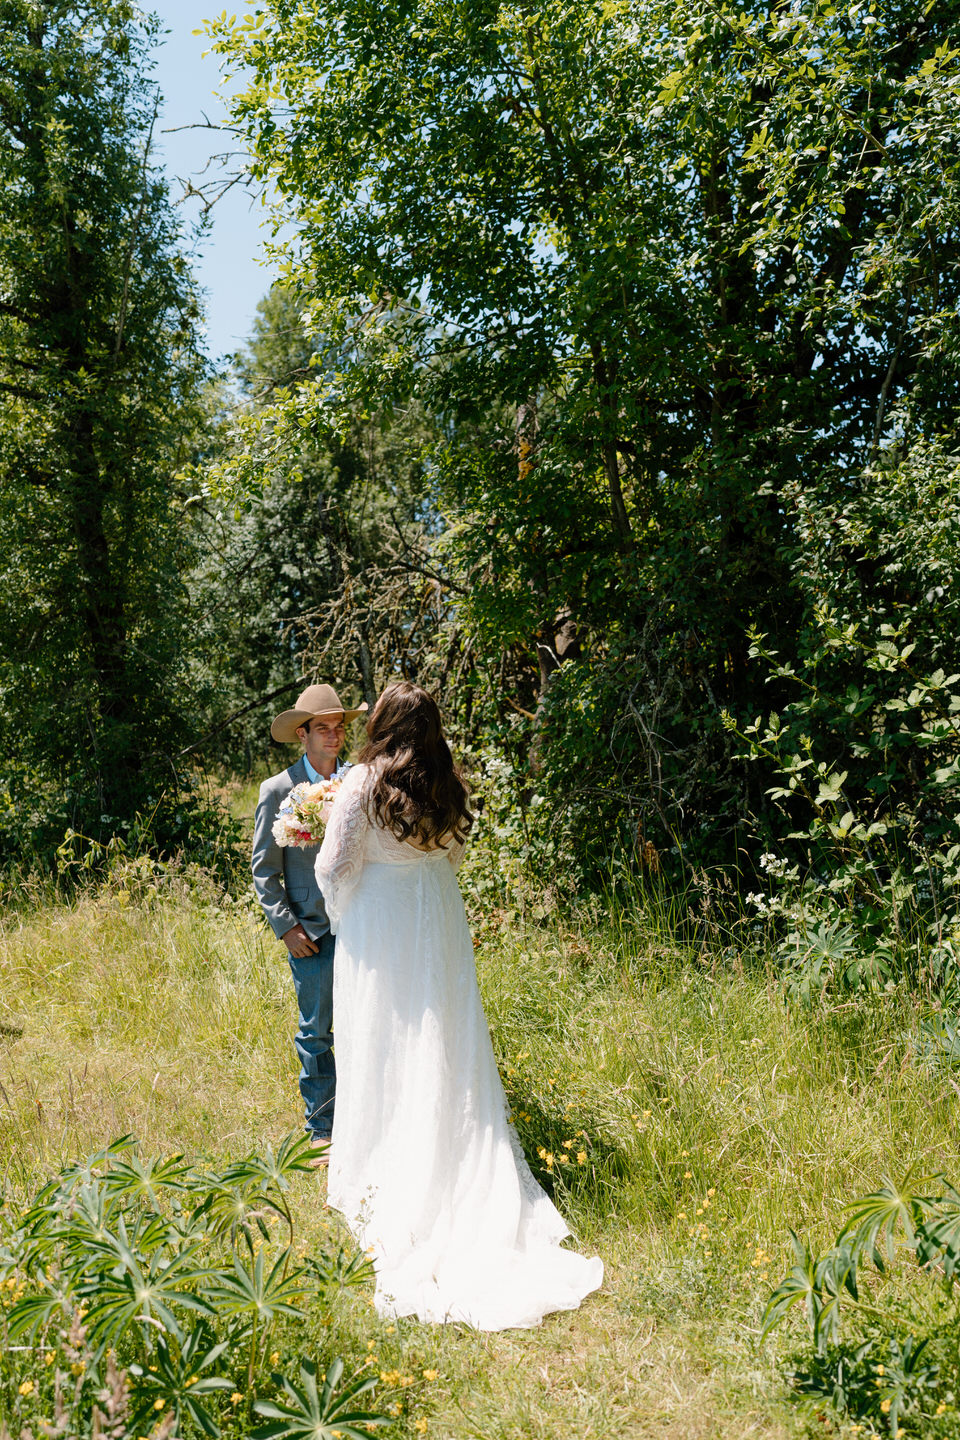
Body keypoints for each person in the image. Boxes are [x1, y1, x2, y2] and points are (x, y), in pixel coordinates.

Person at [315, 681, 603, 1330]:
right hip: (436, 916)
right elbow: (455, 853)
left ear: (381, 724)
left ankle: (389, 1182)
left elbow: (333, 868)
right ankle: (450, 1157)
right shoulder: (447, 783)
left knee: (385, 1044)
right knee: (441, 1043)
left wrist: (345, 914)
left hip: (382, 924)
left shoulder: (362, 782)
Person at [252, 683, 368, 1158]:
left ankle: (364, 1120)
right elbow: (264, 869)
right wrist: (287, 926)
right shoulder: (277, 789)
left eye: (339, 727)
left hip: (362, 923)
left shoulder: (358, 781)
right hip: (311, 931)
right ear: (302, 734)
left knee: (365, 1022)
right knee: (315, 1029)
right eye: (323, 728)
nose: (334, 735)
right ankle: (322, 1129)